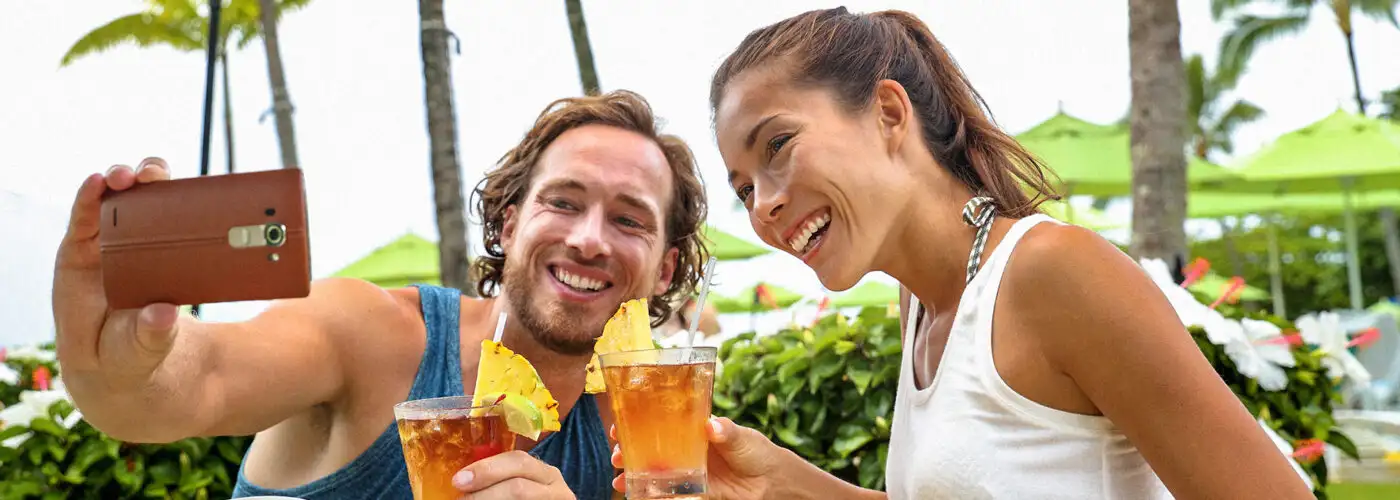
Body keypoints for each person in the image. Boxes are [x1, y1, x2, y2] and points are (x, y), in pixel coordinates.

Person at [611, 7, 1316, 499]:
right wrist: (785, 484)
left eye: (778, 146)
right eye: (743, 188)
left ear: (889, 113)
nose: (762, 204)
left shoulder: (1052, 274)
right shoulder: (925, 302)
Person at [51, 89, 710, 500]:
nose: (590, 239)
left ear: (663, 268)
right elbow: (195, 381)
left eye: (629, 219)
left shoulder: (643, 424)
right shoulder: (373, 335)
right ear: (509, 225)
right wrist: (118, 362)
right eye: (562, 203)